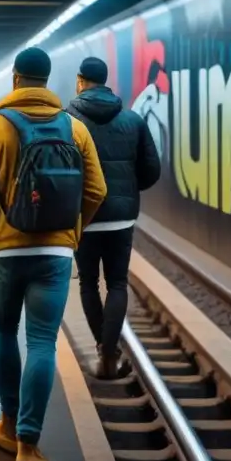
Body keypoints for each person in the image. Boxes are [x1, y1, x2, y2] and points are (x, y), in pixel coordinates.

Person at [0, 47, 107, 461]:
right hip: (55, 253)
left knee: (4, 329)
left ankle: (6, 423)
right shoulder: (74, 128)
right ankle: (28, 443)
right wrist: (72, 234)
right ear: (47, 80)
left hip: (4, 251)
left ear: (15, 79)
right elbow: (96, 190)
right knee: (42, 342)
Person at [68, 57, 161, 378]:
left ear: (81, 81)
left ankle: (103, 349)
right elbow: (152, 170)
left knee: (89, 282)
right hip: (121, 218)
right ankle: (109, 352)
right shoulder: (133, 120)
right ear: (106, 81)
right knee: (118, 282)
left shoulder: (67, 121)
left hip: (85, 216)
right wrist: (128, 190)